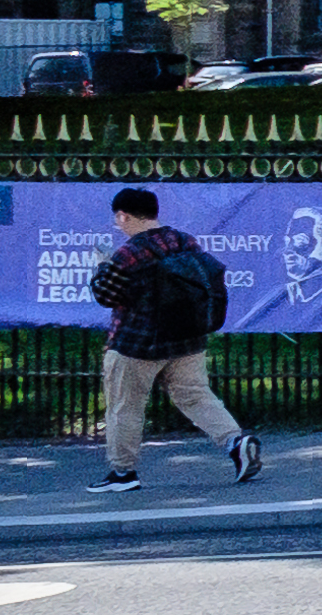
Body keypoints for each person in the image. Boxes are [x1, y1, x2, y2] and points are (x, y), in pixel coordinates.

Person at [84, 187, 258, 492]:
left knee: (125, 407)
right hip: (186, 339)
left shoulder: (129, 253)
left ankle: (123, 474)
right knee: (197, 396)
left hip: (137, 344)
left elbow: (105, 295)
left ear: (123, 215)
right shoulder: (185, 241)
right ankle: (235, 442)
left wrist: (100, 265)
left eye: (118, 220)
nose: (118, 225)